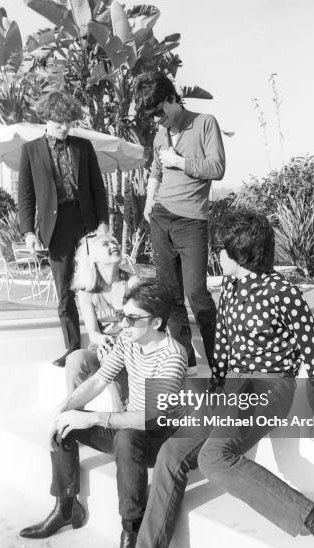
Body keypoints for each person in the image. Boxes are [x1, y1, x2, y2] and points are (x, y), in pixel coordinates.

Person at [115, 208, 314, 548]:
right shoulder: (231, 290)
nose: (217, 256)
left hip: (269, 386)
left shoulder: (283, 293)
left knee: (214, 457)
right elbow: (222, 349)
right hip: (230, 389)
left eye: (222, 250)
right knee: (174, 451)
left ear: (239, 253)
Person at [19, 280, 188, 548]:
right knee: (66, 424)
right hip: (128, 427)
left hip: (157, 438)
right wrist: (64, 408)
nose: (123, 324)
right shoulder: (129, 339)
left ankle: (131, 537)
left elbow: (149, 417)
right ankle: (66, 507)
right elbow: (99, 379)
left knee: (124, 434)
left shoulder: (173, 356)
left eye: (132, 318)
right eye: (123, 316)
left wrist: (94, 419)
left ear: (156, 322)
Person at [134, 71, 226, 374]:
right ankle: (185, 367)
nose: (158, 120)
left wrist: (181, 163)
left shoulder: (205, 122)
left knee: (197, 295)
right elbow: (156, 169)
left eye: (160, 111)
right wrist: (150, 197)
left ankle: (219, 367)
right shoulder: (162, 131)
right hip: (161, 217)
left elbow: (217, 168)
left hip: (192, 221)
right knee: (170, 297)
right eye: (153, 116)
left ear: (173, 99)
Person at [18, 91, 109, 368]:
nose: (65, 128)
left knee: (97, 283)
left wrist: (103, 223)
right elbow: (26, 196)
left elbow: (97, 188)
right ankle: (72, 349)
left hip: (87, 222)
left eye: (69, 122)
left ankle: (103, 343)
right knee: (65, 289)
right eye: (59, 123)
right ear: (46, 118)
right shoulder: (30, 151)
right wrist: (29, 232)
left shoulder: (84, 147)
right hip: (55, 227)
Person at [66, 231, 135, 411]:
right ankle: (72, 413)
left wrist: (118, 346)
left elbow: (142, 325)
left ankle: (122, 414)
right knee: (75, 359)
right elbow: (94, 333)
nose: (114, 245)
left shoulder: (132, 284)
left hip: (129, 349)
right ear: (94, 258)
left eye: (115, 241)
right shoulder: (87, 291)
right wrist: (102, 340)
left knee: (113, 354)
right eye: (106, 244)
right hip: (101, 349)